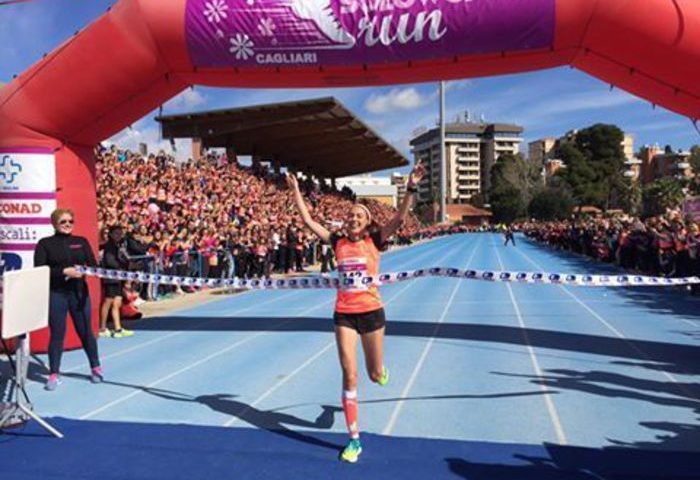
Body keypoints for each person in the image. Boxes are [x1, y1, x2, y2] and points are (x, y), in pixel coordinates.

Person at [286, 161, 425, 463]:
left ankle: (380, 370)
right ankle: (354, 440)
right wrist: (296, 192)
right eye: (350, 214)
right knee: (349, 375)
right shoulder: (337, 242)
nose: (353, 217)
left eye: (359, 215)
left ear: (367, 222)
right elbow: (309, 221)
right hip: (344, 315)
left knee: (374, 375)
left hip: (372, 312)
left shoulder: (375, 240)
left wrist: (411, 186)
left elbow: (400, 217)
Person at [34, 208, 103, 391]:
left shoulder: (81, 242)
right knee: (57, 333)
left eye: (70, 221)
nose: (67, 225)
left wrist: (93, 271)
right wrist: (64, 271)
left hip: (79, 293)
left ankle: (95, 367)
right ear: (54, 223)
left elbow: (93, 265)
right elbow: (40, 270)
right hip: (56, 293)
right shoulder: (45, 244)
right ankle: (54, 373)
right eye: (63, 222)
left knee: (85, 331)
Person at [99, 225, 135, 338]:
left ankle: (118, 328)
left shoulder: (119, 245)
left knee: (117, 302)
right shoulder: (109, 247)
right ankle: (102, 328)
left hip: (118, 277)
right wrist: (122, 266)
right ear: (111, 234)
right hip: (110, 277)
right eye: (116, 233)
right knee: (108, 301)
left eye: (120, 233)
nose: (119, 235)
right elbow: (110, 262)